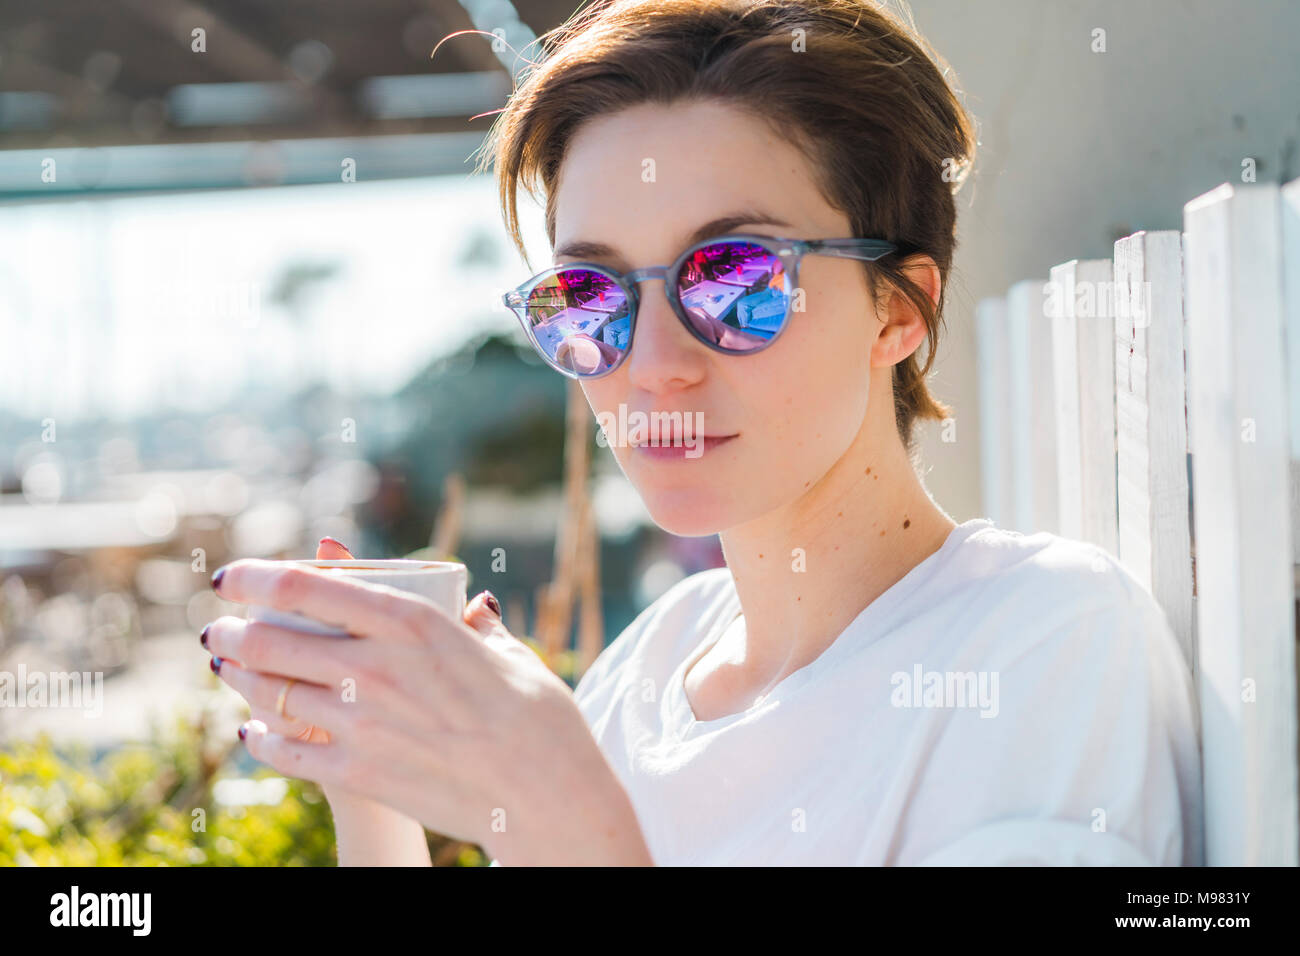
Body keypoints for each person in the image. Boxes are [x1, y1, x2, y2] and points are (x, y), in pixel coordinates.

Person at [202, 0, 1202, 865]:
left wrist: (559, 802)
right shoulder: (646, 670)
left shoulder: (1043, 641)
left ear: (898, 307)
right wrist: (364, 767)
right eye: (589, 297)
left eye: (732, 278)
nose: (653, 364)